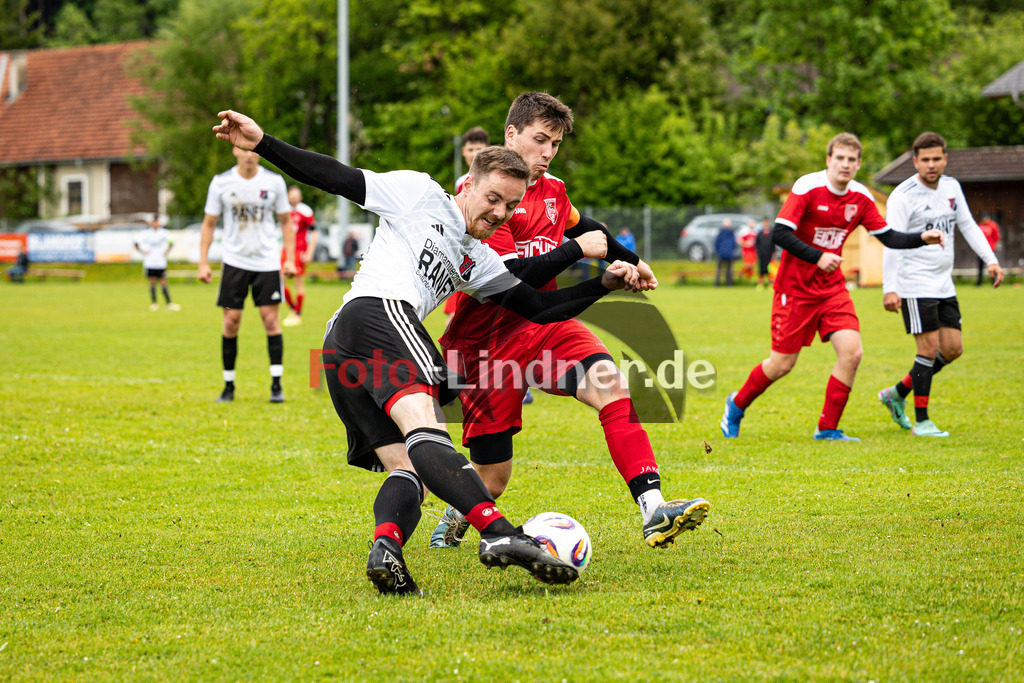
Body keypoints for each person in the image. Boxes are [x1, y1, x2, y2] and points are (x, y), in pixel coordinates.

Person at [211, 109, 641, 594]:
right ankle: (500, 534)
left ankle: (387, 547)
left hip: (344, 350)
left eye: (509, 206)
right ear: (467, 186)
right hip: (378, 314)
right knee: (429, 428)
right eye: (491, 199)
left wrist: (603, 282)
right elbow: (336, 176)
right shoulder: (419, 193)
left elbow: (538, 307)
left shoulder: (477, 258)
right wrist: (263, 141)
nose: (498, 213)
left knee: (409, 465)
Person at [432, 92, 709, 551]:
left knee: (611, 383)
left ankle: (653, 509)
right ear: (511, 134)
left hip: (547, 326)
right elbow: (509, 279)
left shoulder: (554, 190)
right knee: (494, 478)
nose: (547, 153)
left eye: (555, 145)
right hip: (484, 343)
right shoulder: (482, 194)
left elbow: (584, 226)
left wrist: (631, 262)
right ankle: (455, 517)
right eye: (540, 140)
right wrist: (578, 253)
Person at [720, 132, 945, 442]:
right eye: (839, 158)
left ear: (858, 164)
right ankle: (736, 404)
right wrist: (818, 256)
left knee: (852, 353)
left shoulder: (861, 197)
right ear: (828, 160)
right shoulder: (807, 187)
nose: (845, 165)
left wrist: (922, 237)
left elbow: (889, 237)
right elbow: (780, 235)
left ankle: (827, 428)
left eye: (852, 160)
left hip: (831, 290)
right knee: (782, 364)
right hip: (794, 290)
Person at [877, 131, 1004, 437]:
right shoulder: (903, 196)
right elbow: (891, 242)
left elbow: (968, 225)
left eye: (937, 159)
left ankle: (895, 394)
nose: (932, 165)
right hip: (913, 283)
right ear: (915, 161)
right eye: (925, 160)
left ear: (945, 159)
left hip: (943, 282)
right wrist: (889, 287)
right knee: (929, 348)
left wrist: (991, 260)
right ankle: (922, 422)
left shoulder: (951, 187)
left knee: (953, 348)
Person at [198, 144, 297, 404]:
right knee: (231, 321)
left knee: (270, 320)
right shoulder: (221, 183)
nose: (249, 155)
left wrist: (290, 259)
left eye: (254, 150)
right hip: (234, 261)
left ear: (259, 153)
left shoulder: (274, 182)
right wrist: (203, 262)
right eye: (244, 150)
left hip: (266, 261)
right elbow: (209, 224)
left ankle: (276, 385)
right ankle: (228, 386)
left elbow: (286, 222)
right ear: (235, 151)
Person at [282, 186, 317, 327]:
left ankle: (297, 314)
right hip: (286, 250)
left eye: (296, 195)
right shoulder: (284, 210)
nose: (294, 197)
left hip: (299, 251)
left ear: (300, 197)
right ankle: (294, 310)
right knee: (280, 281)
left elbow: (314, 233)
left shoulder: (306, 211)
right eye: (291, 195)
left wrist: (310, 252)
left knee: (298, 282)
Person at [134, 214, 180, 311]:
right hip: (150, 262)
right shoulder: (146, 233)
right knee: (152, 282)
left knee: (163, 282)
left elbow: (171, 242)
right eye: (154, 222)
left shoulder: (163, 233)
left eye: (157, 222)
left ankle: (169, 303)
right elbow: (136, 242)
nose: (155, 224)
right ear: (152, 223)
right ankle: (154, 303)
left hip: (160, 262)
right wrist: (143, 252)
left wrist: (166, 252)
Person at [454, 126, 490, 195]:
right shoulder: (460, 183)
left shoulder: (496, 178)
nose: (474, 154)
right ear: (463, 151)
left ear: (488, 150)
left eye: (479, 149)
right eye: (470, 150)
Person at [976, 213, 1001, 286]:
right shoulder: (980, 225)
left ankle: (994, 281)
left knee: (992, 265)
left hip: (990, 249)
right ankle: (979, 282)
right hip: (981, 250)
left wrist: (992, 245)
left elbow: (996, 237)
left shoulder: (993, 225)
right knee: (980, 267)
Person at [714, 218, 736, 286]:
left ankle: (717, 283)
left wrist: (718, 251)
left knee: (719, 269)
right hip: (729, 254)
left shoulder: (720, 233)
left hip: (720, 253)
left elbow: (716, 243)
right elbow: (734, 244)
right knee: (729, 270)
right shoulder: (731, 233)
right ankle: (728, 283)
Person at [755, 217, 775, 289]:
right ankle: (760, 283)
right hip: (762, 254)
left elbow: (774, 243)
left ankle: (770, 283)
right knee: (761, 269)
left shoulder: (772, 232)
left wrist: (774, 253)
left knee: (770, 269)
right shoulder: (760, 233)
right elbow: (757, 244)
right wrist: (759, 252)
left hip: (770, 254)